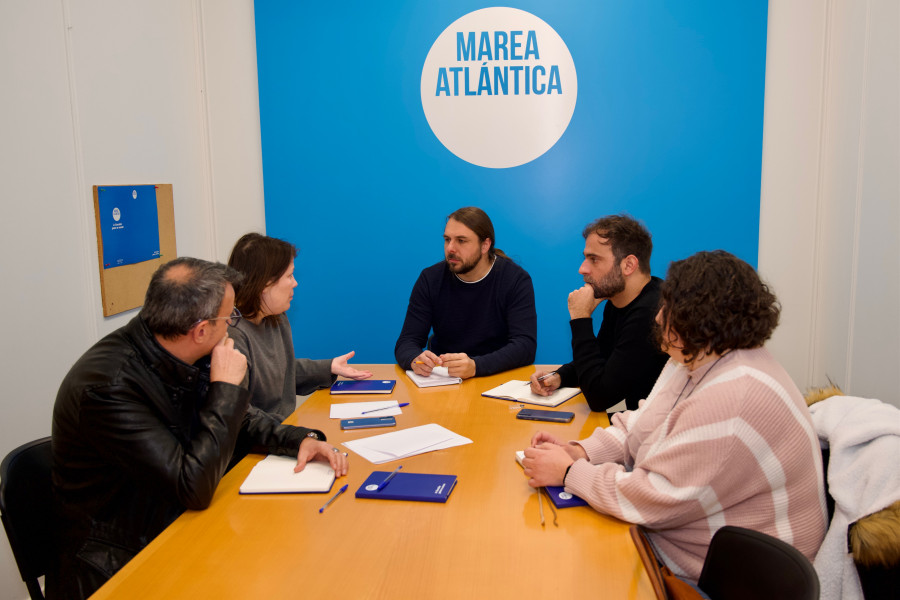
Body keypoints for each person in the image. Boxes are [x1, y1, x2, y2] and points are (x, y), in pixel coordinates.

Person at [49, 258, 349, 600]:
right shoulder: (108, 388)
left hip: (171, 527)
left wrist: (299, 439)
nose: (232, 326)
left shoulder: (174, 344)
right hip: (120, 560)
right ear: (201, 330)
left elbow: (240, 420)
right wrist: (226, 389)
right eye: (229, 317)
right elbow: (191, 486)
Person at [522, 250, 827, 585]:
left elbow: (653, 497)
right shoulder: (697, 357)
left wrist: (569, 472)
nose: (657, 317)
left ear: (700, 317)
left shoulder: (734, 396)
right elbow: (639, 423)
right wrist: (580, 452)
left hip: (729, 583)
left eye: (669, 308)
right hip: (696, 549)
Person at [227, 233, 371, 422]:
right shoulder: (231, 335)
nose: (295, 283)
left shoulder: (275, 316)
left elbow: (282, 372)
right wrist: (297, 435)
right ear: (264, 283)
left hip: (282, 432)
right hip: (259, 444)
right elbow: (243, 417)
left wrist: (329, 367)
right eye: (289, 275)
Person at [531, 215, 667, 412]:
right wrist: (559, 376)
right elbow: (602, 358)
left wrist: (580, 319)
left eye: (594, 259)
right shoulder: (619, 298)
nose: (582, 269)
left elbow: (599, 398)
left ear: (628, 265)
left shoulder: (651, 313)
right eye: (586, 258)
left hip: (650, 435)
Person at [394, 206, 537, 379]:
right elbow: (407, 342)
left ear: (485, 245)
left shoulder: (515, 279)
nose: (451, 248)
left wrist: (476, 366)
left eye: (461, 241)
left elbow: (525, 346)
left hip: (497, 377)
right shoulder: (430, 279)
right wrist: (414, 359)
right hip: (444, 380)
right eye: (447, 240)